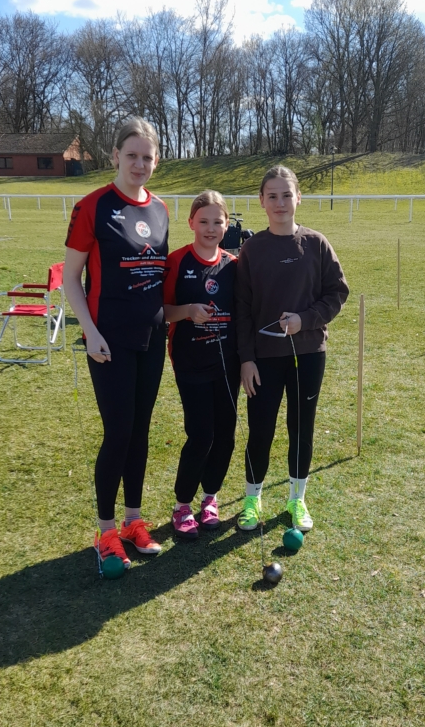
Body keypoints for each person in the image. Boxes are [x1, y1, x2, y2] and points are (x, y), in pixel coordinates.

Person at [63, 117, 168, 572]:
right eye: (131, 156)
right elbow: (71, 279)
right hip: (108, 339)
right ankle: (106, 531)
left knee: (141, 431)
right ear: (115, 156)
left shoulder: (161, 209)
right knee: (119, 432)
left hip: (152, 338)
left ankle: (133, 522)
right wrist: (90, 331)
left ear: (156, 161)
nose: (139, 164)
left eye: (147, 157)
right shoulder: (92, 206)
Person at [235, 165, 349, 533]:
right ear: (261, 201)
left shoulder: (316, 244)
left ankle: (297, 499)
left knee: (302, 429)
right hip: (263, 360)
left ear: (299, 198)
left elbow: (337, 293)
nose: (280, 202)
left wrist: (306, 320)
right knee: (261, 431)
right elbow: (242, 310)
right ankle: (252, 500)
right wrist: (246, 359)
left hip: (309, 354)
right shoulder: (251, 249)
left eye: (287, 195)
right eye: (272, 196)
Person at [163, 191, 239, 540]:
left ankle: (210, 499)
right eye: (204, 221)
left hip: (227, 364)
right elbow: (161, 311)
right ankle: (182, 505)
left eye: (217, 222)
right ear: (191, 222)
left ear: (227, 224)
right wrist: (188, 311)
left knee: (225, 435)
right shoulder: (177, 261)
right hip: (190, 362)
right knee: (201, 434)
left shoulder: (234, 264)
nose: (210, 228)